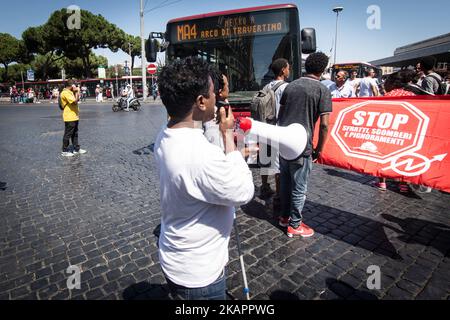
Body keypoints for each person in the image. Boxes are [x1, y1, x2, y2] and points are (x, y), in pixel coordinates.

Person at [154, 57, 254, 300]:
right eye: (211, 94)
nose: (215, 98)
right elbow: (243, 191)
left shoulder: (166, 135)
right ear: (200, 101)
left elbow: (200, 168)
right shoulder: (199, 155)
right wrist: (228, 134)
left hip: (177, 257)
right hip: (199, 277)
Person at [277, 52, 332, 238]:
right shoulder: (322, 90)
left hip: (284, 143)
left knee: (285, 184)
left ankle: (284, 217)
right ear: (323, 70)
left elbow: (280, 116)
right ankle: (295, 224)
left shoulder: (290, 87)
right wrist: (320, 149)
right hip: (303, 146)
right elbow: (324, 125)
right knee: (299, 186)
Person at [374, 70, 417, 192]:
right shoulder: (412, 96)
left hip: (388, 131)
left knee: (382, 155)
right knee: (404, 157)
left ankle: (382, 182)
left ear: (392, 83)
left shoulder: (388, 96)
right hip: (406, 133)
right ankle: (403, 184)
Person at [259, 58, 290, 201]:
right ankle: (278, 195)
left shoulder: (266, 86)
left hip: (265, 127)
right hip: (278, 128)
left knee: (266, 159)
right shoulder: (286, 87)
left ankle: (264, 186)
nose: (289, 70)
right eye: (288, 68)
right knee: (278, 164)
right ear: (283, 70)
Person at [203, 68, 230, 151]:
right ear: (220, 91)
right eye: (227, 86)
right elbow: (220, 151)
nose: (228, 89)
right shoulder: (213, 115)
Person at [60, 79, 87, 157]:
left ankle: (76, 149)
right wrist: (77, 91)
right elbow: (75, 101)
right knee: (68, 134)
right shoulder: (65, 93)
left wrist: (75, 92)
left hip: (74, 116)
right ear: (72, 86)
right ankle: (64, 150)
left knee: (75, 134)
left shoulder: (70, 92)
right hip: (69, 116)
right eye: (75, 85)